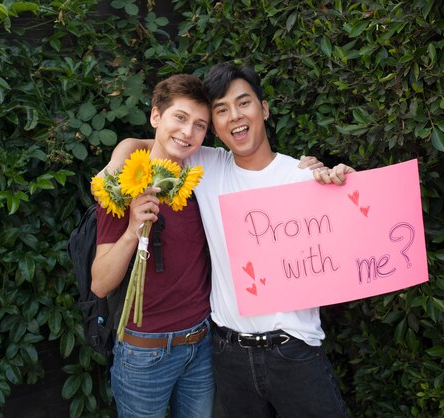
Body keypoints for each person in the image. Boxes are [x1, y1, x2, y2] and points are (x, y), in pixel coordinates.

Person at [101, 64, 354, 417]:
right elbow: (156, 142)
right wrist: (117, 160)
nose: (234, 116)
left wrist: (345, 183)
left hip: (294, 351)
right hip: (227, 353)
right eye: (221, 110)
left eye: (244, 103)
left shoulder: (303, 177)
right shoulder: (206, 166)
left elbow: (350, 233)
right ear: (215, 129)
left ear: (264, 109)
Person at [90, 74, 215, 418]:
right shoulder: (124, 184)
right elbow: (99, 282)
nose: (188, 132)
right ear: (156, 116)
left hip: (201, 345)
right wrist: (132, 229)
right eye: (180, 117)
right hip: (144, 354)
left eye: (200, 125)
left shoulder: (203, 175)